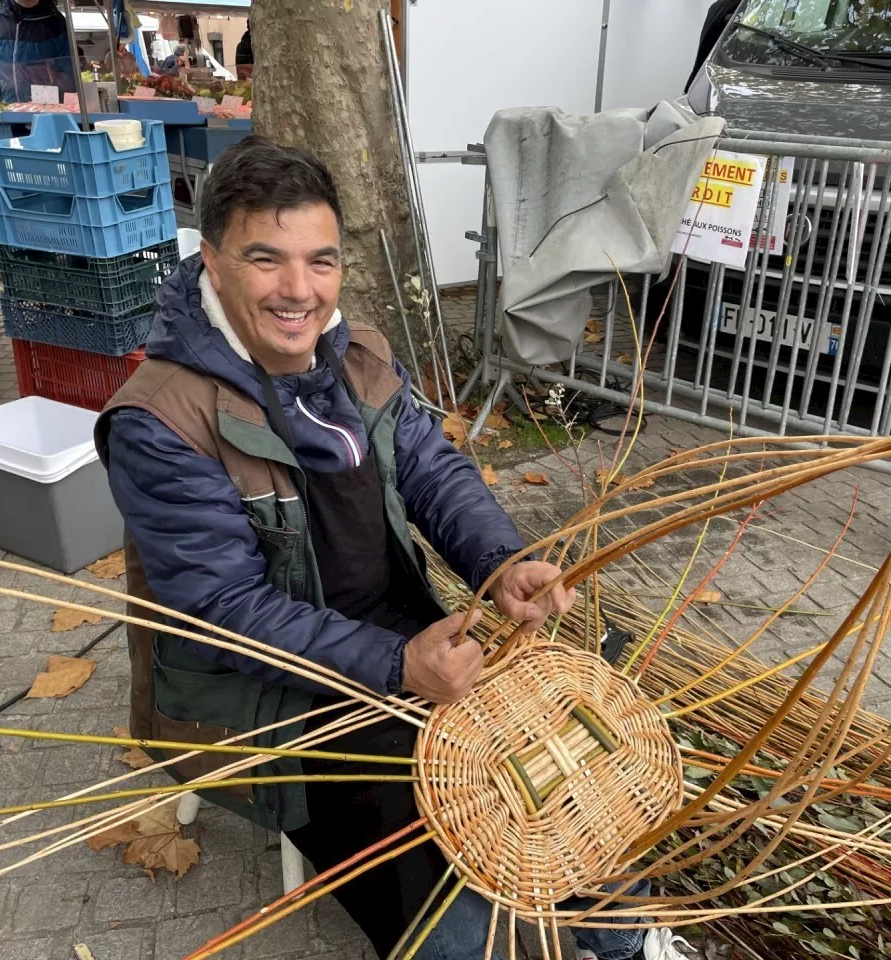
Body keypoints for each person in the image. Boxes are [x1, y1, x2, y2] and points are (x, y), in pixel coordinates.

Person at [94, 136, 684, 960]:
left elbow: (436, 469)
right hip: (273, 695)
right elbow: (223, 613)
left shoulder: (354, 351)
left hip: (401, 635)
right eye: (267, 260)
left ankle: (623, 939)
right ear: (214, 260)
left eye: (321, 261)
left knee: (574, 735)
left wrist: (501, 563)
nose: (300, 291)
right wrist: (397, 668)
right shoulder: (160, 420)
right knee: (439, 867)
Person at [0, 0, 73, 103]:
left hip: (42, 108)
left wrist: (52, 103)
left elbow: (67, 72)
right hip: (7, 105)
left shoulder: (56, 21)